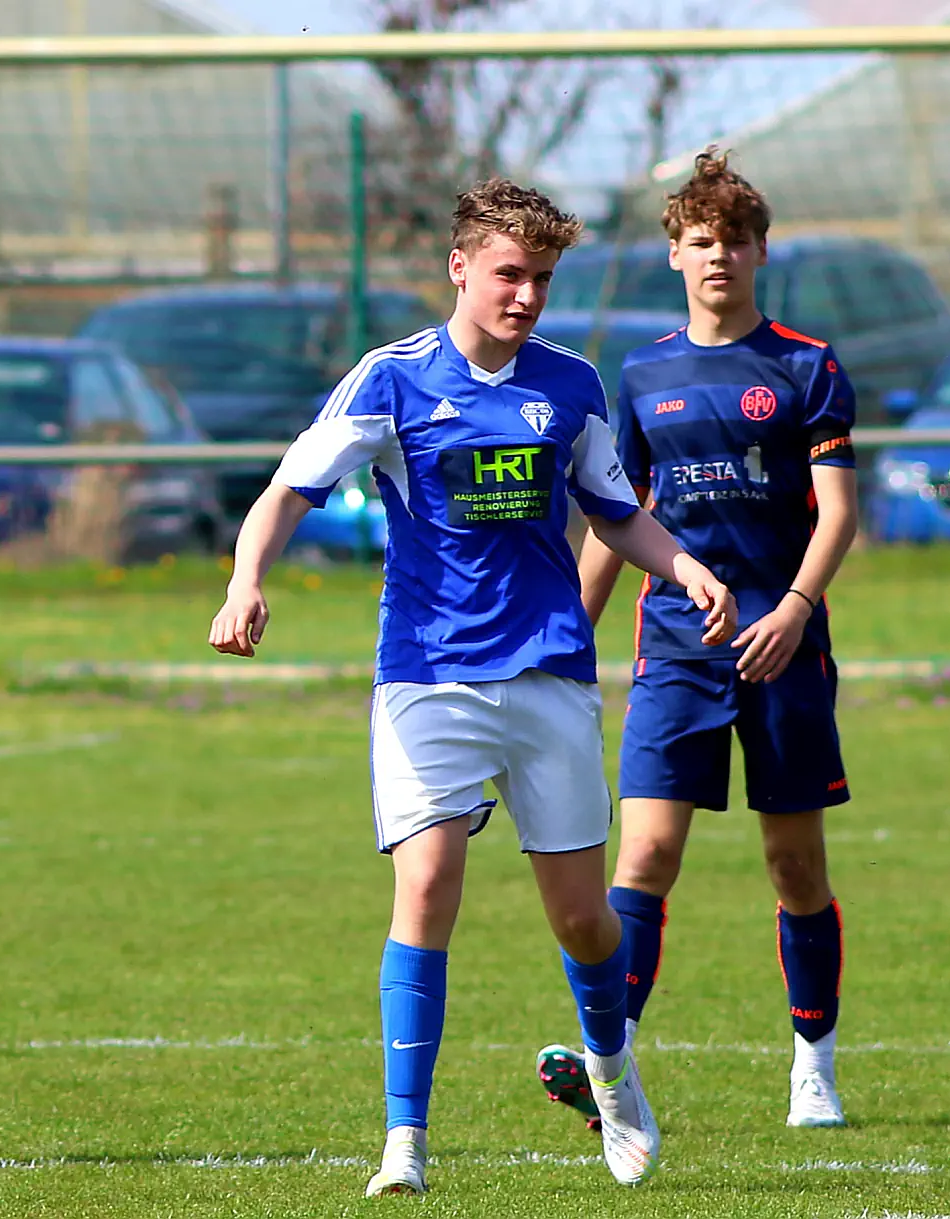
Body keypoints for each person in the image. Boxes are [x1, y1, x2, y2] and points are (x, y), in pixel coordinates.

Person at [208, 179, 739, 1195]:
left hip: (548, 673)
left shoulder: (571, 384)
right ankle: (404, 1142)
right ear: (459, 268)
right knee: (425, 885)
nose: (526, 295)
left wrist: (685, 566)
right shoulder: (392, 378)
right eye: (509, 274)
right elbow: (288, 489)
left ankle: (613, 1073)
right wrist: (246, 580)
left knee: (582, 919)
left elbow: (615, 511)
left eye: (542, 278)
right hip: (428, 675)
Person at [534, 149, 859, 1133]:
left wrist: (794, 608)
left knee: (794, 866)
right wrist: (564, 641)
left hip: (782, 647)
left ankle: (814, 1066)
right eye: (702, 240)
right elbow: (615, 516)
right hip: (674, 648)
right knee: (645, 854)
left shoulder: (807, 365)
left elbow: (839, 512)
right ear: (675, 253)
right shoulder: (642, 374)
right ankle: (610, 1064)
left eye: (736, 240)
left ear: (762, 251)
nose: (720, 255)